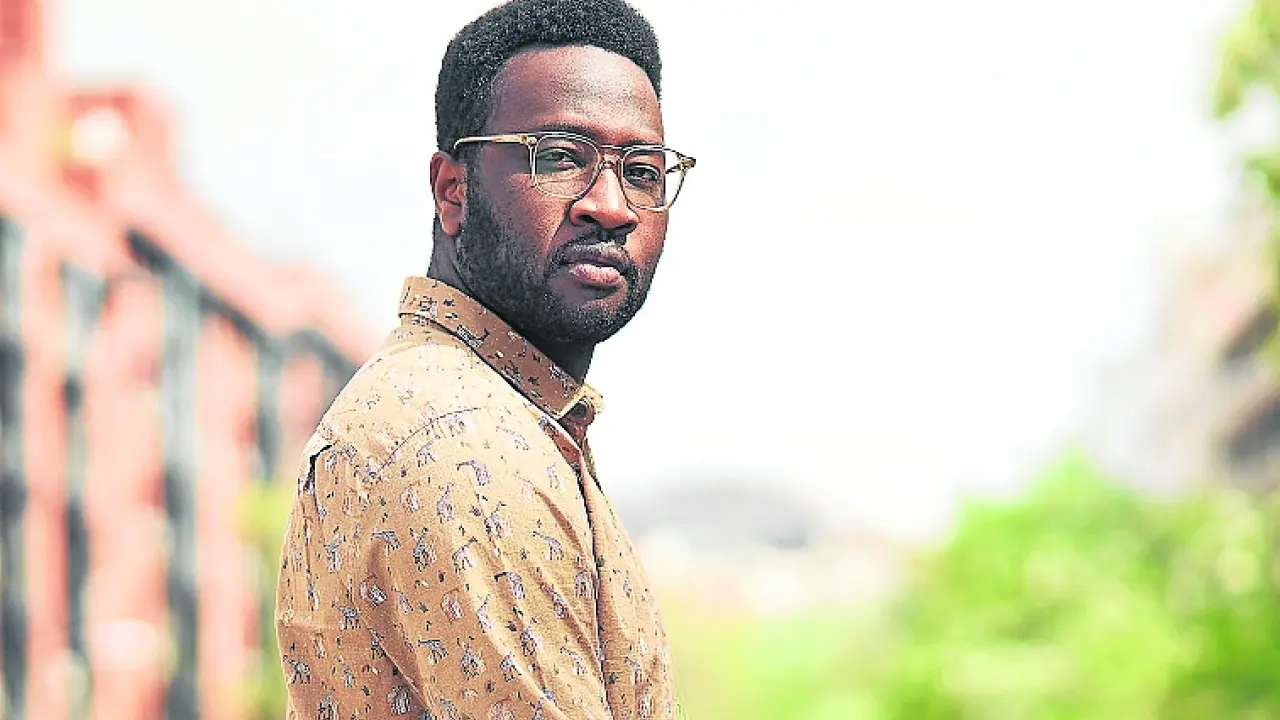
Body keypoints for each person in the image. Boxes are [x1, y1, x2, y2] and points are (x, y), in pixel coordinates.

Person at [273, 1, 697, 718]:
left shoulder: (500, 415)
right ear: (453, 190)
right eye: (559, 157)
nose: (611, 205)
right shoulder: (464, 440)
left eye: (643, 170)